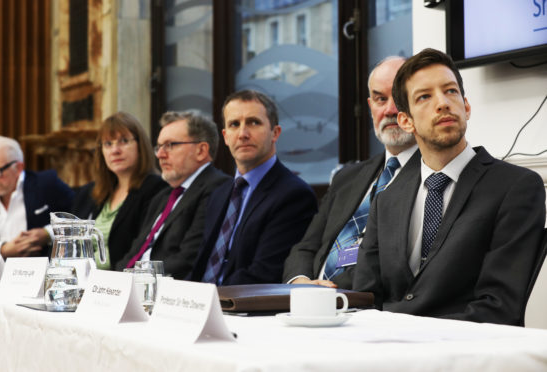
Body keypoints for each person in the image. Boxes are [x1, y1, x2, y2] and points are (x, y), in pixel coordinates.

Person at [353, 48, 546, 325]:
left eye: (451, 91)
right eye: (424, 97)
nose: (442, 103)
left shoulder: (515, 187)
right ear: (406, 121)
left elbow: (499, 307)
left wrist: (410, 338)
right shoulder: (386, 199)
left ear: (466, 107)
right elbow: (365, 298)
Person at [283, 57, 418, 289]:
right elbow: (305, 247)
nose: (389, 110)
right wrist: (302, 283)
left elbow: (391, 263)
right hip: (309, 304)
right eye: (380, 99)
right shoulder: (347, 177)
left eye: (399, 98)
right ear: (369, 106)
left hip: (364, 308)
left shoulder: (432, 176)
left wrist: (326, 292)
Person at [188, 90, 318, 285]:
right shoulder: (219, 194)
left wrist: (208, 299)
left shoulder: (294, 196)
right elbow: (200, 266)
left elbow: (264, 275)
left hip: (242, 309)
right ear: (225, 136)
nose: (243, 134)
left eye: (253, 122)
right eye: (234, 125)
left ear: (275, 133)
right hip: (203, 306)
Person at [114, 111, 230, 278]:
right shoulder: (163, 196)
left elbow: (189, 258)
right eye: (159, 147)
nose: (160, 155)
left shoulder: (217, 188)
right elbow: (134, 252)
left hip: (169, 290)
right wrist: (114, 281)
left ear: (201, 150)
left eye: (170, 145)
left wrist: (134, 278)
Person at [71, 112, 168, 270]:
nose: (115, 150)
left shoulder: (156, 188)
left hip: (120, 284)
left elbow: (143, 250)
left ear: (140, 145)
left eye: (123, 141)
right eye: (108, 144)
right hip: (85, 281)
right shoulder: (93, 192)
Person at [0, 136, 74, 257]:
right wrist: (2, 249)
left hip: (40, 268)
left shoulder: (46, 183)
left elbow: (78, 217)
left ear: (18, 167)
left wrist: (47, 233)